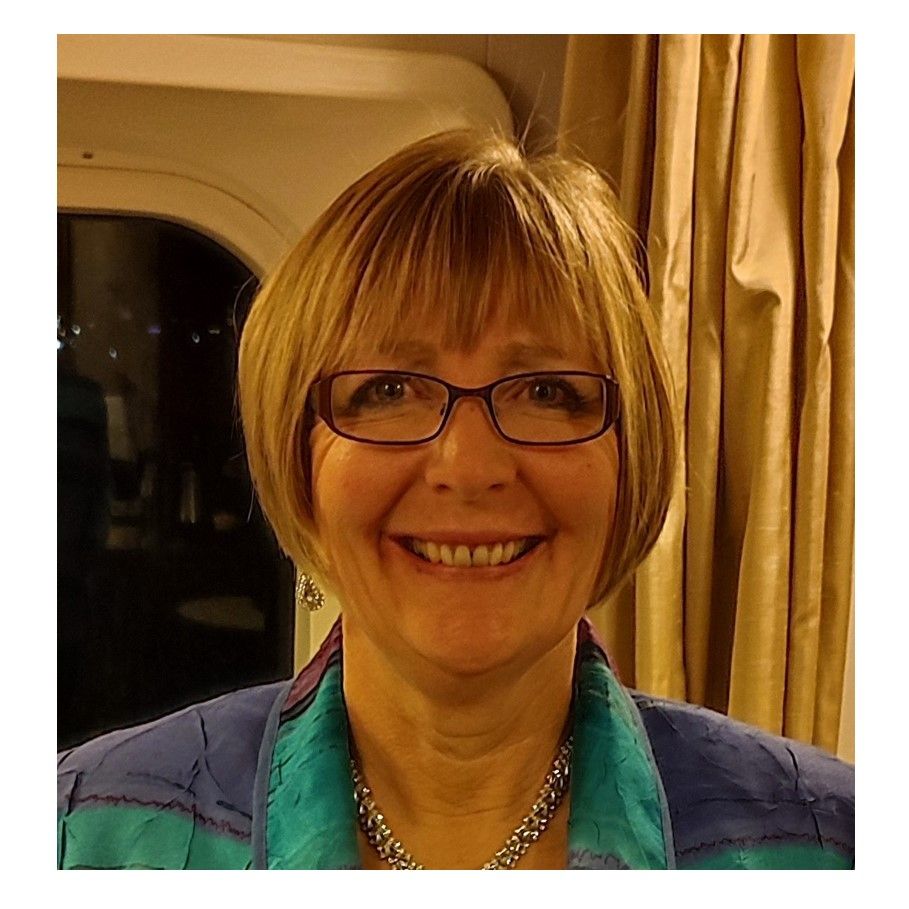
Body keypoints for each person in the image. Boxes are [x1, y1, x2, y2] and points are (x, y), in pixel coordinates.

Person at [57, 129, 854, 870]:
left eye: (546, 390)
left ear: (630, 458)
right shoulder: (79, 834)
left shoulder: (834, 845)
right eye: (387, 389)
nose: (468, 467)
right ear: (297, 457)